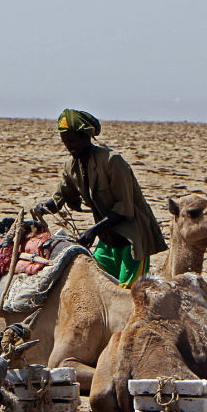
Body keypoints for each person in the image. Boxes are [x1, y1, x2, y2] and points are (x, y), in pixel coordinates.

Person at [31, 109, 167, 286]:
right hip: (107, 240)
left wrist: (92, 231)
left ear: (86, 137)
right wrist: (44, 208)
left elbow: (124, 208)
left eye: (72, 140)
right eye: (65, 142)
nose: (68, 146)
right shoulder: (72, 166)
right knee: (97, 286)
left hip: (132, 239)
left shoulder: (112, 161)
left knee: (129, 293)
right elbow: (61, 197)